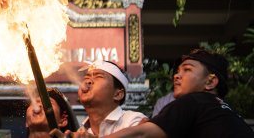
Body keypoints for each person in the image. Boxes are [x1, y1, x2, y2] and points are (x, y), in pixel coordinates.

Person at [51, 49, 254, 138]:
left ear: (210, 81)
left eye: (187, 70)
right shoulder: (219, 110)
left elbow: (142, 134)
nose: (176, 76)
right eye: (177, 71)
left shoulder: (194, 101)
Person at [59, 60, 147, 137]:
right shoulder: (81, 133)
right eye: (86, 77)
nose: (88, 81)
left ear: (118, 94)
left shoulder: (133, 121)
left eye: (98, 77)